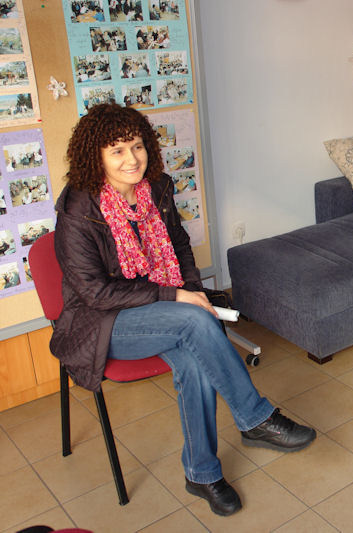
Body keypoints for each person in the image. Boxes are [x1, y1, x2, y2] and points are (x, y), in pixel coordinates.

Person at [50, 103, 316, 517]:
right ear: (95, 157)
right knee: (194, 323)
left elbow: (179, 248)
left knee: (195, 356)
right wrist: (175, 297)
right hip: (102, 322)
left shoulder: (156, 188)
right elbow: (96, 293)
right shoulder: (78, 211)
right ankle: (254, 418)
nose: (132, 159)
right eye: (117, 150)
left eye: (137, 146)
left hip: (161, 309)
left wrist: (190, 291)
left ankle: (202, 473)